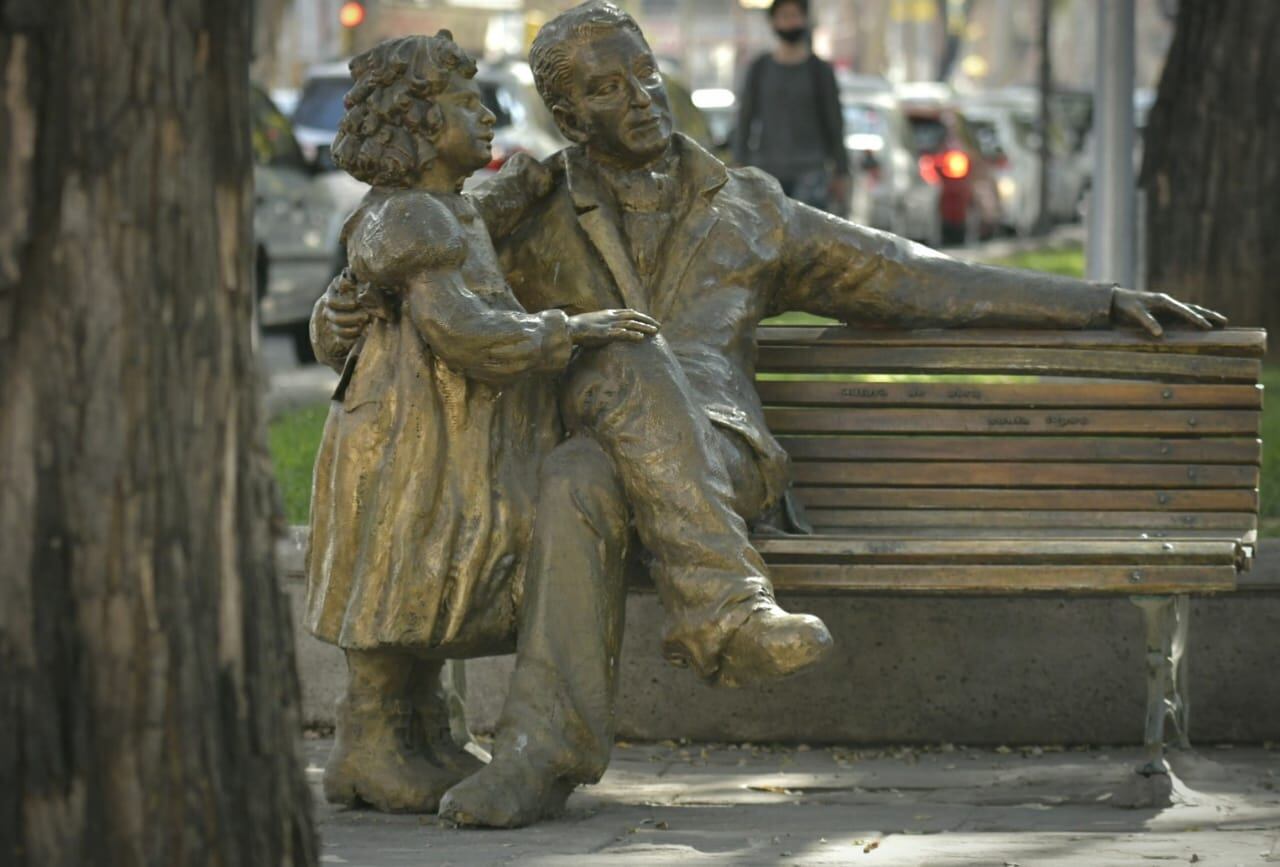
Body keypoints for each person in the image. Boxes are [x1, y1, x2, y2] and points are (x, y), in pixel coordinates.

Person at [315, 1, 1224, 829]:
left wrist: (1092, 301)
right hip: (593, 470)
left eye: (642, 73)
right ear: (569, 116)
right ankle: (566, 731)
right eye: (604, 88)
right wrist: (333, 318)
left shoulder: (750, 208)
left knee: (619, 366)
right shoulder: (526, 206)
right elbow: (406, 272)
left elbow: (912, 277)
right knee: (578, 463)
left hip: (719, 457)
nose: (637, 97)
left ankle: (712, 612)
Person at [304, 31, 659, 814]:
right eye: (471, 105)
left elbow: (465, 235)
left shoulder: (439, 211)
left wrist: (522, 188)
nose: (491, 116)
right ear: (421, 125)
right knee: (398, 572)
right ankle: (368, 744)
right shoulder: (408, 222)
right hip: (402, 439)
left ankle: (423, 731)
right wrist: (571, 330)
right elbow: (464, 331)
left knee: (426, 582)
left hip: (434, 434)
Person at [733, 0, 851, 215]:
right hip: (767, 172)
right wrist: (739, 162)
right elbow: (745, 118)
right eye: (784, 16)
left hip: (812, 172)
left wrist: (841, 170)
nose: (790, 22)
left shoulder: (819, 71)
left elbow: (834, 122)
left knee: (807, 242)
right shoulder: (760, 69)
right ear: (774, 22)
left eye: (795, 15)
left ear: (804, 19)